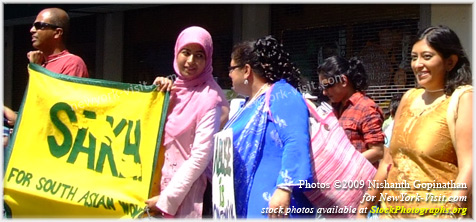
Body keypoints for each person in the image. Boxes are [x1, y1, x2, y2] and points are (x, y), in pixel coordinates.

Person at [358, 25, 472, 219]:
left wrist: (450, 214)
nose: (418, 64)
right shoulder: (409, 97)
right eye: (413, 57)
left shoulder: (463, 99)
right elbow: (388, 161)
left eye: (427, 57)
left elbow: (469, 165)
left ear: (450, 62)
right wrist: (363, 208)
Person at [223, 36, 314, 218]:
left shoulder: (281, 93)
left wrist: (284, 188)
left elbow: (296, 139)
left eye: (232, 69)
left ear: (246, 70)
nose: (229, 74)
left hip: (275, 202)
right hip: (246, 199)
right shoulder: (247, 105)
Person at [145, 26, 229, 218]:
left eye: (199, 55)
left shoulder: (210, 97)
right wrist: (155, 95)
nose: (191, 61)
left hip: (187, 198)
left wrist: (167, 199)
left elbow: (201, 156)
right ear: (176, 53)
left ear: (208, 59)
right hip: (155, 190)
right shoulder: (172, 90)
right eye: (186, 52)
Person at [317, 56, 385, 167]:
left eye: (327, 86)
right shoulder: (333, 109)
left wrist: (346, 164)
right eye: (322, 87)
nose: (324, 92)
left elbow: (378, 151)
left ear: (343, 81)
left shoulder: (366, 108)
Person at [27, 8, 89, 77]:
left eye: (39, 26)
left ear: (57, 33)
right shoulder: (41, 63)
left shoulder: (72, 63)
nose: (32, 30)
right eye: (33, 26)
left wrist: (36, 69)